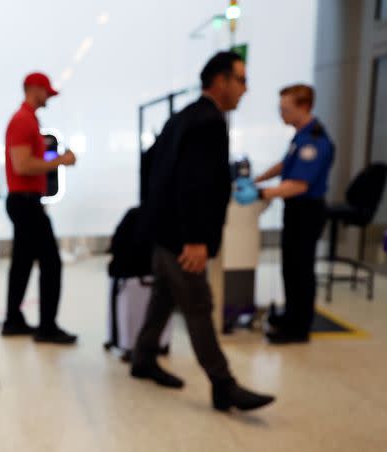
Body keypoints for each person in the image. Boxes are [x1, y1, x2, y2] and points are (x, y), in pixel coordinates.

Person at [130, 52, 275, 412]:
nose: (245, 88)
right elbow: (194, 184)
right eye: (241, 79)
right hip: (183, 238)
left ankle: (143, 357)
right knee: (198, 305)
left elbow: (151, 166)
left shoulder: (183, 117)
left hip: (164, 232)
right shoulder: (209, 121)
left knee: (163, 297)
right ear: (220, 80)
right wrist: (194, 239)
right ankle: (223, 384)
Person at [235, 84, 335, 344]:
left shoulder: (314, 140)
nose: (281, 113)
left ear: (304, 107)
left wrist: (259, 194)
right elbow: (286, 165)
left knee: (301, 268)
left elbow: (299, 185)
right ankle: (290, 315)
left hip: (307, 211)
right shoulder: (300, 136)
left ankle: (299, 328)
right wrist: (258, 179)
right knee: (291, 266)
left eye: (285, 109)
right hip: (296, 211)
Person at [1, 72, 78, 344]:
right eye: (47, 92)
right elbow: (22, 165)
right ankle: (47, 327)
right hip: (25, 203)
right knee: (51, 262)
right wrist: (61, 160)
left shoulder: (28, 120)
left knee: (22, 262)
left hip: (25, 201)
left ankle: (12, 320)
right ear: (35, 89)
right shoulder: (22, 121)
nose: (48, 98)